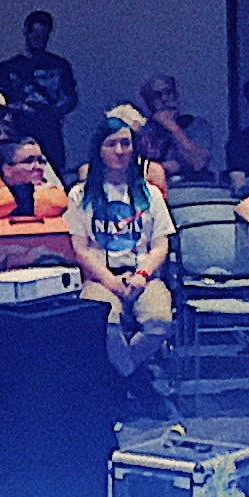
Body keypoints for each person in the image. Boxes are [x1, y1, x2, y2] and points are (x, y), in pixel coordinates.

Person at [69, 110, 177, 385]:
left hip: (144, 276)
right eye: (111, 144)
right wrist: (111, 282)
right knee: (106, 322)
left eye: (125, 143)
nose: (119, 150)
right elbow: (80, 249)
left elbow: (160, 245)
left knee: (160, 322)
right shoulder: (80, 195)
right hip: (100, 278)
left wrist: (141, 276)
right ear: (99, 149)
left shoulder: (150, 193)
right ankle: (135, 379)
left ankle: (124, 373)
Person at [0, 130, 80, 274]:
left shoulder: (50, 190)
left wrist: (21, 197)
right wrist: (22, 195)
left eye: (40, 161)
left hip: (45, 272)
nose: (38, 167)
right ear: (6, 168)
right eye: (28, 161)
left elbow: (58, 202)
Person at [0, 14, 80, 169]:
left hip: (50, 132)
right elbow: (0, 101)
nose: (39, 40)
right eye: (35, 35)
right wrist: (21, 108)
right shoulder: (9, 68)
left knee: (53, 175)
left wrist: (49, 112)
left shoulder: (59, 66)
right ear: (26, 33)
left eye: (43, 36)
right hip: (19, 132)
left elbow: (70, 99)